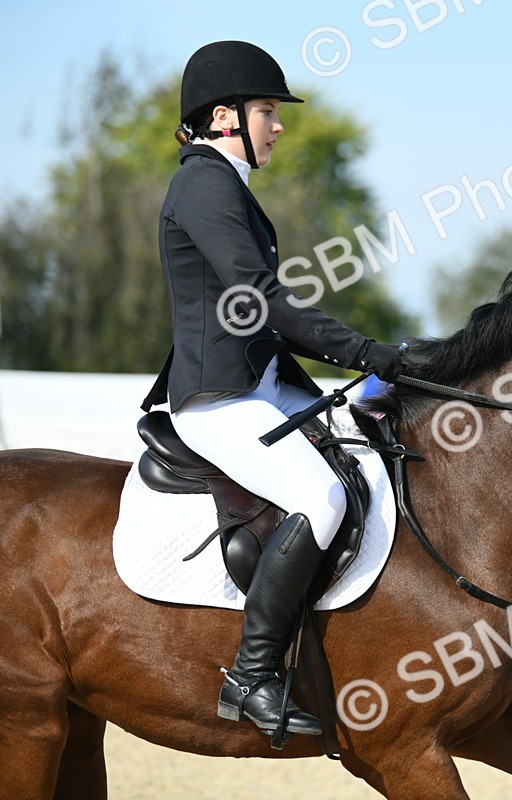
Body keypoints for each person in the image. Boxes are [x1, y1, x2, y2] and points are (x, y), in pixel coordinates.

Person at [140, 42, 408, 737]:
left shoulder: (228, 185)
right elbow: (259, 298)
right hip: (219, 403)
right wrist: (361, 351)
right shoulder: (204, 185)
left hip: (261, 387)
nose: (278, 125)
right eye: (267, 111)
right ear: (224, 116)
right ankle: (253, 677)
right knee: (319, 500)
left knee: (373, 450)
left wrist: (382, 365)